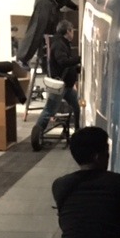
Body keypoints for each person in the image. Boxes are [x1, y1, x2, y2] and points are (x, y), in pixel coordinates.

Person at [30, 20, 80, 151]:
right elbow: (63, 61)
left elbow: (64, 63)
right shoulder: (59, 44)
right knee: (49, 110)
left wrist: (75, 68)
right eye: (72, 30)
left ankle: (78, 132)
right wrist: (79, 59)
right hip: (59, 86)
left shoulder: (62, 43)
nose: (73, 33)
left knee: (77, 106)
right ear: (68, 31)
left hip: (66, 86)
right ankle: (36, 137)